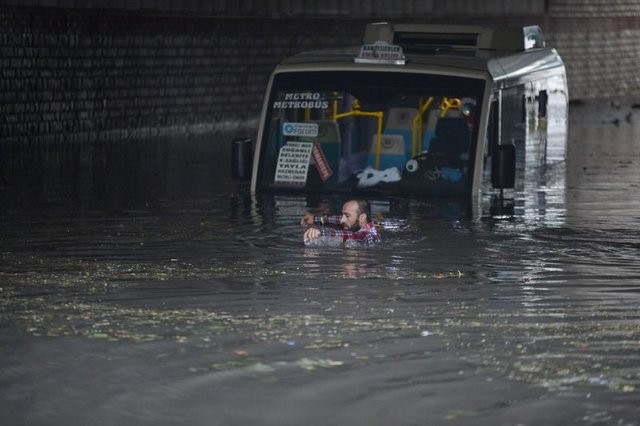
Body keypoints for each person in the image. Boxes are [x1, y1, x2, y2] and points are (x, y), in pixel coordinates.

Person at [300, 199, 381, 246]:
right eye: (343, 215)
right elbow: (338, 219)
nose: (342, 220)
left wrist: (321, 232)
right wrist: (316, 219)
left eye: (347, 216)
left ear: (362, 217)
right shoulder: (359, 222)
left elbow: (352, 236)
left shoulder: (368, 235)